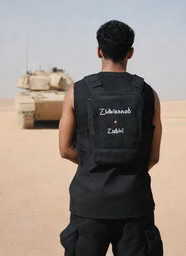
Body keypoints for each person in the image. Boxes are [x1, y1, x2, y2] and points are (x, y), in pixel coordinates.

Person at [58, 20, 163, 256]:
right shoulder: (148, 94)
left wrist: (93, 162)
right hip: (135, 205)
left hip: (89, 205)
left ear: (99, 51)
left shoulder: (77, 91)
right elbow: (153, 156)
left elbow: (65, 149)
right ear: (130, 52)